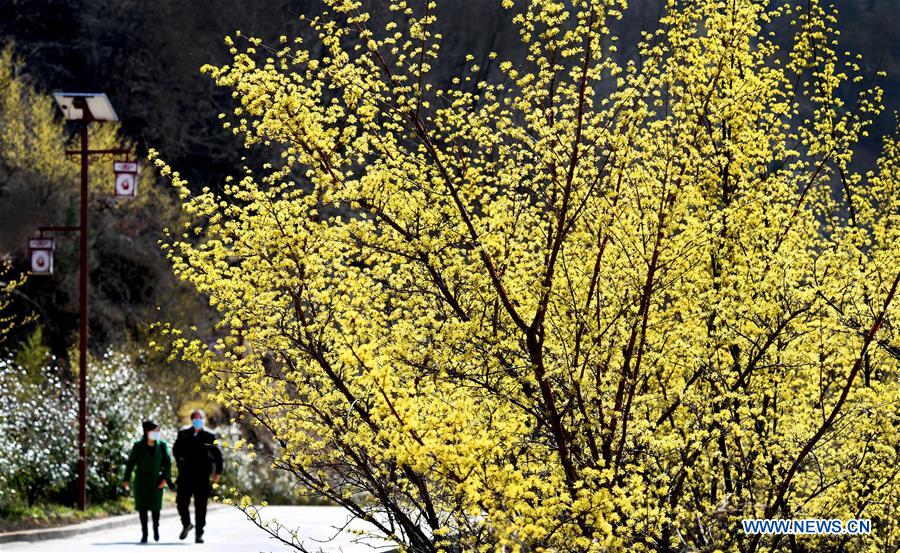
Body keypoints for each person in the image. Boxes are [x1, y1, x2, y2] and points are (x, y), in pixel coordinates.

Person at [173, 409, 223, 544]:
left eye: (199, 418)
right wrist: (180, 461)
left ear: (203, 419)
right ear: (191, 420)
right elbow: (176, 450)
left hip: (202, 476)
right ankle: (187, 524)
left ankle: (199, 533)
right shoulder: (183, 434)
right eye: (195, 418)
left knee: (201, 506)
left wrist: (218, 472)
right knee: (181, 502)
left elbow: (218, 455)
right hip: (185, 475)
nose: (197, 420)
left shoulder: (210, 436)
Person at [123, 420, 172, 543]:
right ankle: (144, 533)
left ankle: (156, 528)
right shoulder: (138, 446)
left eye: (158, 430)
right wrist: (126, 479)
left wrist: (165, 478)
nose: (156, 433)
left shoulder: (162, 446)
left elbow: (167, 464)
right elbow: (131, 463)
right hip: (141, 481)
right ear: (147, 431)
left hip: (157, 480)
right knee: (142, 507)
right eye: (154, 430)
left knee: (156, 507)